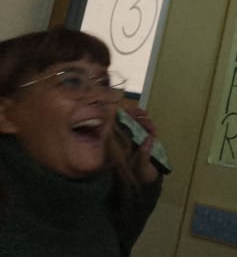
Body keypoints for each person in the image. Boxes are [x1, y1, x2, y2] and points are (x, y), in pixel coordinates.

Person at [0, 27, 164, 256]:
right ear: (6, 115)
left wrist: (141, 181)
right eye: (72, 81)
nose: (100, 96)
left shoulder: (91, 196)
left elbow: (117, 243)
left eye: (104, 82)